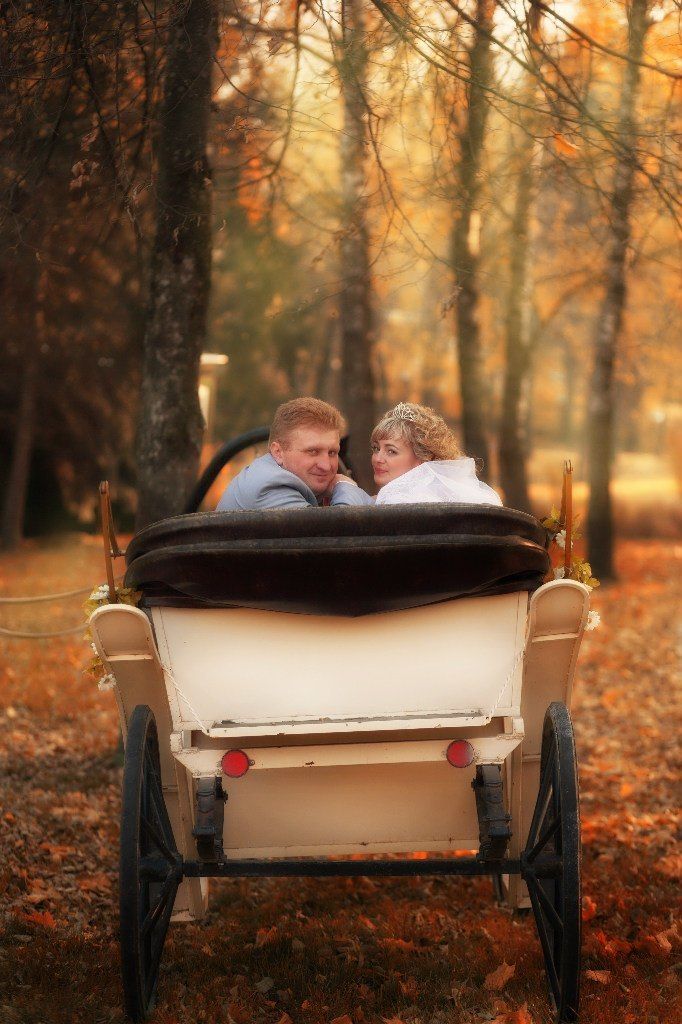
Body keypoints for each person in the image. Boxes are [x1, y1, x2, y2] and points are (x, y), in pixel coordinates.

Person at [216, 397, 373, 510]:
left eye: (332, 452)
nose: (326, 466)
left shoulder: (276, 477)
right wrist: (344, 485)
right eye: (313, 451)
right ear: (278, 452)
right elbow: (339, 539)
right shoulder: (272, 487)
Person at [370, 402, 502, 506]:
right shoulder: (444, 497)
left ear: (422, 457)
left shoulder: (396, 501)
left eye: (391, 451)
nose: (377, 458)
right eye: (376, 448)